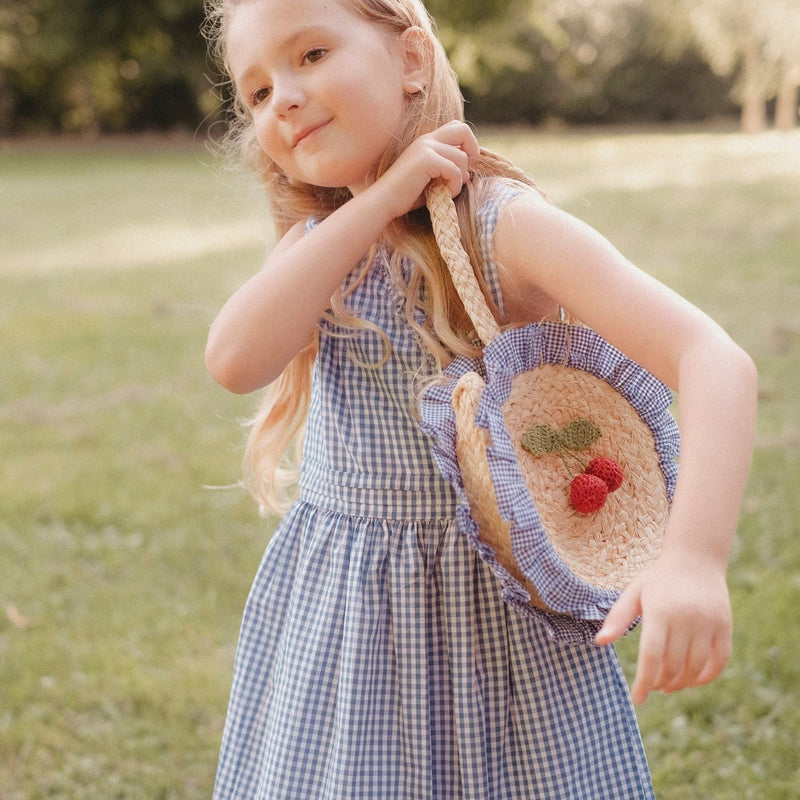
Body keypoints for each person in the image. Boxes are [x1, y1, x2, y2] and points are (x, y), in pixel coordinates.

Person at [202, 0, 757, 797]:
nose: (282, 96)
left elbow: (714, 359)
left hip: (497, 621)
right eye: (255, 93)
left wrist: (695, 559)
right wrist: (382, 198)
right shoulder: (319, 249)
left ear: (412, 61)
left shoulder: (502, 227)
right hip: (352, 622)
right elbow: (233, 359)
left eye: (313, 54)